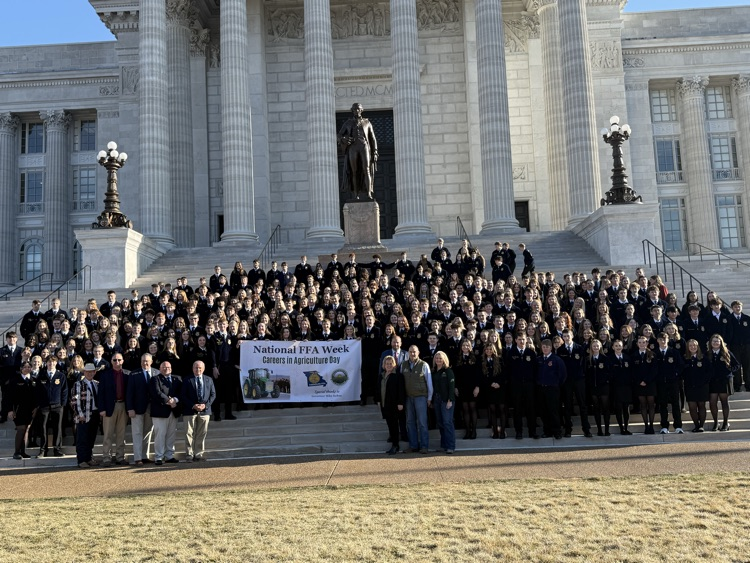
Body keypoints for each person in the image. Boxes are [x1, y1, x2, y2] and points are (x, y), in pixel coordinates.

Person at [338, 102, 378, 200]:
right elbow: (339, 136)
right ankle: (356, 195)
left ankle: (369, 193)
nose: (357, 111)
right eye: (355, 109)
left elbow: (372, 138)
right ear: (352, 111)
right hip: (353, 148)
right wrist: (343, 139)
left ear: (361, 110)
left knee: (367, 169)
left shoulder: (367, 122)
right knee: (354, 171)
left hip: (364, 146)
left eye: (358, 109)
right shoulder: (348, 123)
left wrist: (375, 151)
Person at [557, 330, 591, 437]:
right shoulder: (560, 350)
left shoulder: (580, 348)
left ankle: (586, 429)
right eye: (564, 336)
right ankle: (568, 429)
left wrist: (582, 376)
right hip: (567, 381)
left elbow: (584, 365)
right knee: (567, 405)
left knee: (582, 405)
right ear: (562, 337)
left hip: (579, 380)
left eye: (568, 335)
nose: (566, 337)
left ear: (572, 336)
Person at [98, 352, 129, 466]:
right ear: (111, 361)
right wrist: (102, 408)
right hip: (109, 407)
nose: (117, 362)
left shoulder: (127, 374)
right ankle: (106, 458)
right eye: (115, 360)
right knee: (108, 434)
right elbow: (101, 394)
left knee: (121, 434)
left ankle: (120, 457)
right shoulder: (105, 375)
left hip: (123, 406)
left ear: (123, 361)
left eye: (119, 360)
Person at [182, 360, 216, 462]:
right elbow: (183, 395)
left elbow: (213, 394)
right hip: (190, 410)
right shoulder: (187, 380)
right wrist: (193, 405)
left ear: (203, 369)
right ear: (193, 369)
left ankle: (198, 454)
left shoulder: (209, 380)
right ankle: (189, 455)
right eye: (196, 368)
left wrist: (205, 406)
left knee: (202, 433)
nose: (198, 370)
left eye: (200, 368)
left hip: (205, 411)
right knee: (189, 433)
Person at [401, 345, 433, 453]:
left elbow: (429, 382)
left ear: (418, 352)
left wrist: (429, 398)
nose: (412, 354)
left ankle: (424, 446)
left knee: (422, 422)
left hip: (420, 397)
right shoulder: (403, 365)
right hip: (408, 397)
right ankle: (413, 445)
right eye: (410, 352)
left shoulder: (424, 365)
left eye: (414, 352)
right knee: (410, 422)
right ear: (408, 353)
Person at [35, 356, 68, 457]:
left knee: (57, 427)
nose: (51, 364)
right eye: (49, 362)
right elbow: (37, 391)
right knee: (43, 427)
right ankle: (43, 450)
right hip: (44, 406)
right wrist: (39, 404)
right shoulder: (41, 375)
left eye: (53, 362)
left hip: (57, 406)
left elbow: (65, 391)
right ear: (46, 363)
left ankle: (57, 449)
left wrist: (62, 404)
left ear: (56, 363)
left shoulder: (61, 376)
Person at [149, 360, 181, 465]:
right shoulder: (155, 379)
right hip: (160, 412)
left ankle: (169, 455)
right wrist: (169, 401)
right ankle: (158, 457)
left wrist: (175, 400)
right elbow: (157, 392)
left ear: (171, 368)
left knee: (171, 435)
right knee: (160, 435)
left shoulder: (177, 379)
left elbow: (181, 392)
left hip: (174, 411)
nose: (166, 369)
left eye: (168, 367)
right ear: (160, 368)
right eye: (164, 367)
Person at [507, 333, 538, 439]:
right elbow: (508, 370)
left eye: (523, 339)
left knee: (531, 409)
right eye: (519, 339)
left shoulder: (531, 353)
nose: (521, 341)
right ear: (515, 340)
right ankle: (518, 431)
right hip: (516, 386)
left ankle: (532, 431)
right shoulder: (511, 353)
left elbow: (535, 370)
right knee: (517, 409)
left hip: (529, 385)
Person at [127, 353, 155, 465]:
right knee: (137, 433)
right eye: (143, 361)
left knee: (147, 433)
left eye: (147, 361)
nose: (145, 363)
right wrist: (130, 408)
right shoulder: (134, 374)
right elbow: (129, 393)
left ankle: (144, 456)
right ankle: (138, 458)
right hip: (137, 408)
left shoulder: (156, 373)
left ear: (151, 362)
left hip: (152, 409)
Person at [707, 334, 739, 431]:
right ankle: (716, 422)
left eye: (717, 341)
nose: (715, 343)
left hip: (724, 381)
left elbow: (737, 365)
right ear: (710, 343)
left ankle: (725, 423)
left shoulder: (726, 352)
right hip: (712, 381)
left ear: (721, 343)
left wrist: (730, 371)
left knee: (724, 402)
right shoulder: (707, 353)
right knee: (712, 402)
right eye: (714, 341)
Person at [71, 362, 100, 468]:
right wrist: (79, 413)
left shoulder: (97, 384)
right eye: (88, 372)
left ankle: (88, 458)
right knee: (82, 438)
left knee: (91, 438)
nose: (90, 373)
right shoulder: (78, 384)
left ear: (94, 372)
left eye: (92, 372)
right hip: (83, 414)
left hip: (95, 413)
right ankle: (81, 459)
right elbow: (74, 400)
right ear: (84, 372)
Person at [7, 361, 38, 459]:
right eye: (25, 367)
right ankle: (16, 452)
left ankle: (23, 451)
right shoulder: (15, 380)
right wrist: (10, 410)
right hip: (19, 409)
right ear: (21, 368)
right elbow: (8, 397)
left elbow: (37, 396)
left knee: (27, 430)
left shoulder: (33, 380)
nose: (27, 369)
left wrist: (36, 408)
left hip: (30, 410)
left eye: (29, 367)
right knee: (21, 429)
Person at [537, 339, 566, 440]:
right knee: (543, 411)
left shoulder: (556, 359)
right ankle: (547, 431)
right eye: (543, 347)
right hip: (541, 389)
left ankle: (557, 431)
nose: (545, 349)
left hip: (553, 389)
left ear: (551, 348)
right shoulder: (539, 359)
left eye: (547, 347)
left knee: (553, 411)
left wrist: (556, 384)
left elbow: (562, 375)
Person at [376, 355, 405, 455]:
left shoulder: (398, 376)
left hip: (395, 405)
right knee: (390, 425)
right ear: (384, 365)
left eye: (390, 363)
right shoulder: (381, 375)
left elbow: (401, 391)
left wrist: (400, 403)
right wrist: (378, 401)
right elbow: (379, 390)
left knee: (394, 425)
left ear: (394, 365)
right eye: (387, 364)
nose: (388, 365)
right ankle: (393, 443)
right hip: (385, 405)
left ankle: (395, 445)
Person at [682, 339, 711, 432]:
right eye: (690, 345)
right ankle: (696, 425)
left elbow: (710, 372)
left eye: (694, 345)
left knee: (701, 405)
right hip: (690, 386)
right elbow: (682, 371)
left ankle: (701, 425)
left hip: (702, 386)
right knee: (692, 406)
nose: (692, 347)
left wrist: (704, 381)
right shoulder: (684, 358)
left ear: (697, 346)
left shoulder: (703, 358)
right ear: (687, 347)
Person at [454, 339, 479, 439]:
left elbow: (478, 374)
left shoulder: (475, 358)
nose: (465, 347)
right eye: (463, 345)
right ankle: (468, 430)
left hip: (473, 387)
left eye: (467, 345)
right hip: (462, 387)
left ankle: (474, 431)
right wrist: (456, 387)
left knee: (472, 408)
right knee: (465, 409)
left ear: (470, 346)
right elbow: (455, 374)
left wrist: (477, 386)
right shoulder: (458, 358)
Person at [431, 351, 456, 454]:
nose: (438, 360)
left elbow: (451, 386)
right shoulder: (433, 371)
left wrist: (450, 400)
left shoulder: (448, 371)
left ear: (444, 359)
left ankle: (450, 446)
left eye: (440, 358)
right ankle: (443, 445)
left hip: (446, 400)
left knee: (447, 422)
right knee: (440, 423)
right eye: (436, 358)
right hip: (436, 399)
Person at [586, 339, 611, 436]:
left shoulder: (605, 359)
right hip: (593, 387)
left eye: (597, 346)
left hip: (604, 387)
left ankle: (607, 430)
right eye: (594, 346)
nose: (595, 348)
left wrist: (605, 381)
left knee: (605, 408)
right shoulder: (588, 359)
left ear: (600, 347)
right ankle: (599, 429)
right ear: (591, 348)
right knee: (596, 409)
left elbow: (609, 372)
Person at [1, 331, 23, 423]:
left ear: (17, 339)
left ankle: (18, 417)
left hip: (18, 378)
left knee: (18, 398)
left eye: (13, 337)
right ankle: (3, 415)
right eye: (9, 338)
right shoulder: (1, 351)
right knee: (5, 398)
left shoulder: (21, 350)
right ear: (6, 339)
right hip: (6, 380)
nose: (12, 339)